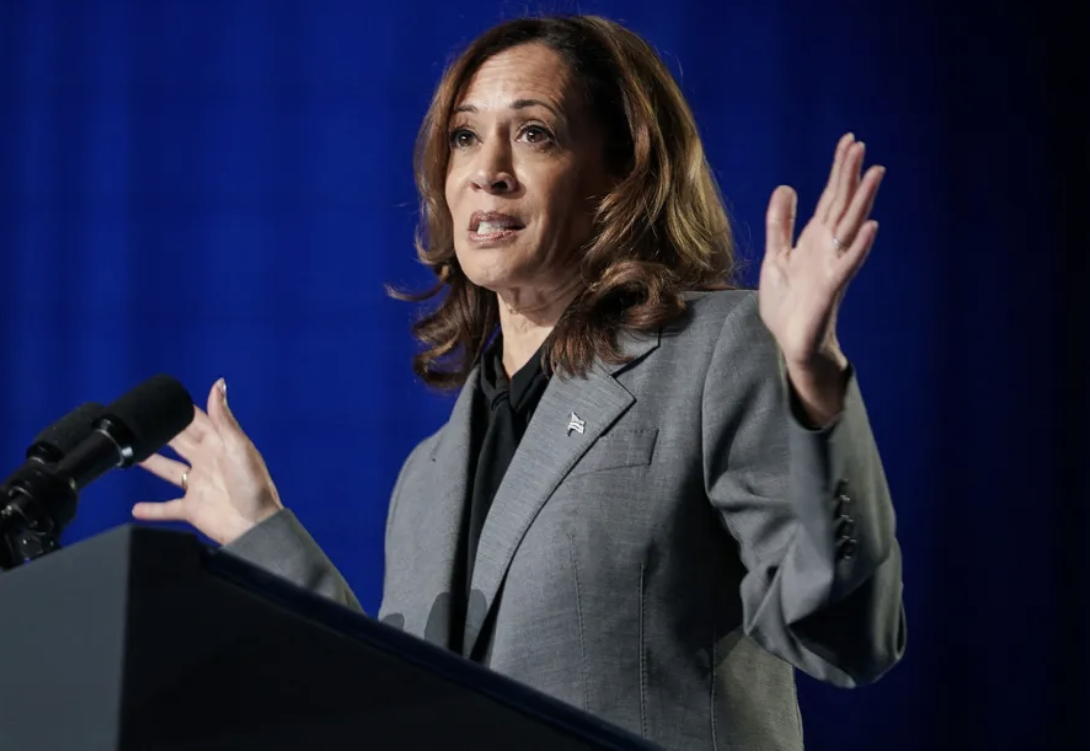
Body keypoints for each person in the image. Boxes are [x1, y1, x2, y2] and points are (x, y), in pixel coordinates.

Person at [134, 14, 905, 750]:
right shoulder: (427, 478)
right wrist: (259, 532)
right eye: (465, 138)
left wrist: (812, 382)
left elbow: (845, 637)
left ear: (620, 172)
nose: (487, 173)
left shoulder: (714, 352)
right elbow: (393, 715)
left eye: (533, 134)